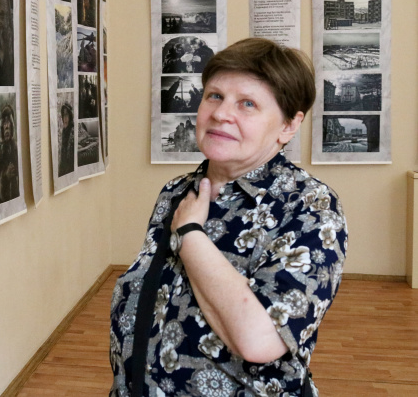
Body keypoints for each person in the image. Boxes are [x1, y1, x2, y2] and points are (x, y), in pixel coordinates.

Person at [110, 38, 348, 396]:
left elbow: (260, 340)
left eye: (247, 103)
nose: (221, 113)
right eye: (215, 96)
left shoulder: (310, 207)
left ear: (288, 125)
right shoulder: (177, 192)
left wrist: (190, 233)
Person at [0, 104, 19, 204]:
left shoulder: (16, 149)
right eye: (4, 122)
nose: (7, 126)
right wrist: (5, 177)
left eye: (8, 122)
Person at [58, 102, 74, 176]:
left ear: (70, 115)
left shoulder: (72, 130)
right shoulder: (65, 130)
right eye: (63, 115)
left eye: (66, 114)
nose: (65, 118)